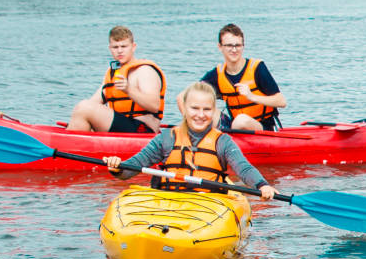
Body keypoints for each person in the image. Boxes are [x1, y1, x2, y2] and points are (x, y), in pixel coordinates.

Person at [101, 81, 275, 201]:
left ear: (214, 111)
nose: (200, 114)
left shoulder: (223, 142)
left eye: (207, 109)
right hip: (169, 202)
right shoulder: (167, 138)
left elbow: (243, 168)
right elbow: (131, 169)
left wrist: (262, 185)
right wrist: (117, 167)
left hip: (208, 205)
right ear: (184, 108)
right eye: (195, 108)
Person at [68, 25, 165, 133]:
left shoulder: (145, 70)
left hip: (142, 129)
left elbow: (154, 106)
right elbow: (92, 103)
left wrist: (129, 90)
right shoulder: (113, 72)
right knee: (82, 107)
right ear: (110, 48)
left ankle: (66, 146)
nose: (119, 51)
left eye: (124, 46)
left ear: (133, 47)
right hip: (121, 126)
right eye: (115, 47)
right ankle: (73, 144)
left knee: (84, 107)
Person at [199, 24, 286, 132]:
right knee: (192, 103)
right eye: (229, 45)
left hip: (263, 129)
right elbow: (188, 96)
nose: (234, 50)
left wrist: (252, 96)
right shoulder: (216, 74)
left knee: (241, 121)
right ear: (220, 47)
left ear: (243, 46)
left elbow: (281, 101)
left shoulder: (257, 68)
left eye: (238, 45)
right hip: (234, 128)